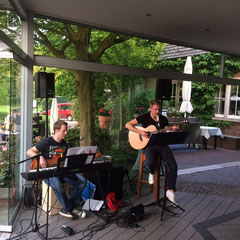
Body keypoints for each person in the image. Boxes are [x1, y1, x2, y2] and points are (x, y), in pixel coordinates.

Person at [27, 120, 87, 219]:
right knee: (57, 184)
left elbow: (65, 161)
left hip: (62, 171)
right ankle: (69, 208)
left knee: (82, 182)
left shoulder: (65, 144)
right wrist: (40, 157)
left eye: (66, 130)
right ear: (56, 130)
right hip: (48, 173)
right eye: (64, 131)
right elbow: (29, 151)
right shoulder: (47, 142)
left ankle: (68, 208)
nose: (66, 133)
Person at [125, 100, 179, 204]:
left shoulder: (163, 119)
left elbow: (165, 130)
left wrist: (172, 129)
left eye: (159, 109)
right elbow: (128, 125)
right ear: (150, 109)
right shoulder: (144, 117)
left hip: (161, 145)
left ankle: (170, 191)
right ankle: (151, 172)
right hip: (149, 145)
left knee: (173, 166)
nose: (157, 111)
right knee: (150, 161)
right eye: (155, 109)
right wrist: (140, 132)